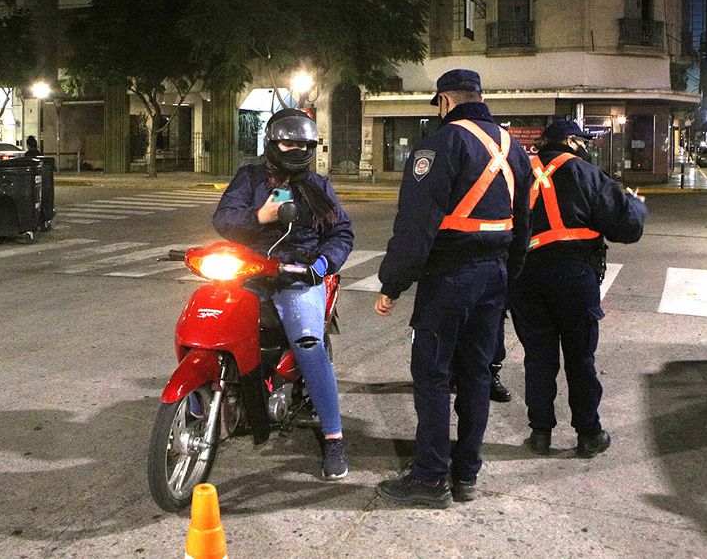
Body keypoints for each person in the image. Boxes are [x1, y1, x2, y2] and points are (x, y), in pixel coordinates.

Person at [373, 69, 531, 508]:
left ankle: (428, 478)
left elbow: (416, 224)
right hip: (494, 275)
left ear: (444, 101)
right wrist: (508, 279)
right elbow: (524, 225)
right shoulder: (512, 146)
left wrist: (393, 283)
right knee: (476, 375)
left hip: (451, 277)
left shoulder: (440, 144)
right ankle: (466, 475)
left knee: (433, 374)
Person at [211, 107, 354, 480]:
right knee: (215, 326)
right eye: (288, 142)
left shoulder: (319, 187)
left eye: (302, 143)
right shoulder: (249, 178)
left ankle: (334, 435)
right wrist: (261, 217)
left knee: (309, 344)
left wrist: (321, 266)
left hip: (297, 276)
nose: (295, 149)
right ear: (272, 142)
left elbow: (342, 234)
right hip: (251, 272)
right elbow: (223, 219)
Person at [509, 119, 646, 459]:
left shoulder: (520, 173)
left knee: (538, 358)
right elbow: (625, 227)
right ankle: (588, 433)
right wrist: (637, 205)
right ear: (571, 141)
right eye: (583, 141)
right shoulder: (584, 172)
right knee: (580, 358)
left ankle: (540, 434)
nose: (586, 147)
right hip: (573, 277)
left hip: (526, 277)